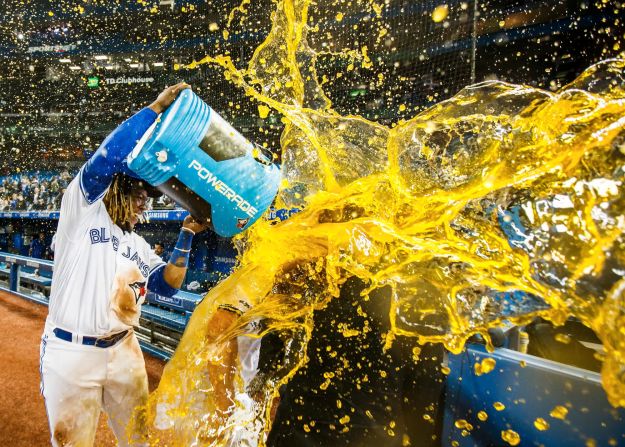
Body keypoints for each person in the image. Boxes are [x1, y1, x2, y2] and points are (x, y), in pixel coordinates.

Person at [39, 82, 209, 447]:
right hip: (71, 354)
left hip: (124, 351)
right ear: (117, 190)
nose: (144, 204)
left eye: (147, 198)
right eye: (138, 195)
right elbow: (108, 158)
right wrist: (154, 110)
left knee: (139, 441)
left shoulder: (139, 245)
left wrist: (187, 235)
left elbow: (168, 284)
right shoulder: (82, 211)